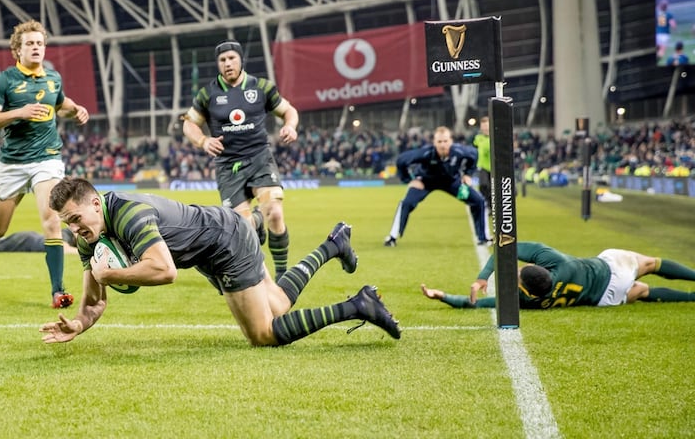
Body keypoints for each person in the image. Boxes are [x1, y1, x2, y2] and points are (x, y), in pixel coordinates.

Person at [40, 177, 400, 347]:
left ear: (95, 203)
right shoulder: (89, 236)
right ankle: (333, 244)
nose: (74, 229)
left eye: (75, 219)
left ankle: (360, 305)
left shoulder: (130, 215)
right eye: (67, 223)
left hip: (223, 241)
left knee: (263, 334)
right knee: (280, 304)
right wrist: (78, 324)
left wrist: (111, 272)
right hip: (210, 245)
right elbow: (95, 301)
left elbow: (164, 271)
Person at [0, 19, 90, 309]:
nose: (36, 48)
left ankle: (58, 291)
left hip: (47, 159)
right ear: (16, 51)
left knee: (52, 221)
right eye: (29, 44)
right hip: (13, 163)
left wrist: (78, 110)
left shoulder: (53, 78)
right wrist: (19, 112)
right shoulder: (4, 80)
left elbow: (62, 104)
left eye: (40, 43)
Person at [182, 40, 299, 281]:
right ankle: (256, 228)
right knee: (243, 230)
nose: (227, 64)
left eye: (231, 59)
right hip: (228, 167)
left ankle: (282, 274)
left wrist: (290, 126)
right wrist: (203, 141)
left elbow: (289, 110)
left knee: (275, 213)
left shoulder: (262, 87)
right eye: (222, 60)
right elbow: (188, 123)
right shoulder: (208, 94)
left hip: (259, 159)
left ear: (240, 60)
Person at [420, 241, 695, 308]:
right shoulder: (557, 261)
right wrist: (482, 277)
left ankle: (691, 298)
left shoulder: (526, 301)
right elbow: (507, 246)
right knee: (651, 263)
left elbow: (476, 304)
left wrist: (443, 296)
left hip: (604, 298)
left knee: (644, 292)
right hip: (610, 269)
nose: (515, 270)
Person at [383, 126, 490, 247]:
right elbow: (402, 160)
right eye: (439, 142)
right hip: (426, 182)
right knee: (406, 203)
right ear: (434, 142)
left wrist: (467, 174)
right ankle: (392, 237)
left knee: (479, 201)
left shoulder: (460, 151)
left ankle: (483, 238)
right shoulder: (426, 152)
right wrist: (409, 180)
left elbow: (474, 155)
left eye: (445, 141)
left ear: (451, 141)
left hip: (452, 182)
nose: (443, 145)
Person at [472, 116, 491, 210]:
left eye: (486, 126)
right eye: (483, 126)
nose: (485, 128)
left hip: (494, 166)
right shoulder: (478, 138)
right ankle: (487, 202)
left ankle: (492, 206)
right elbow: (474, 149)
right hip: (482, 166)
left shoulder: (495, 138)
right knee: (483, 185)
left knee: (493, 187)